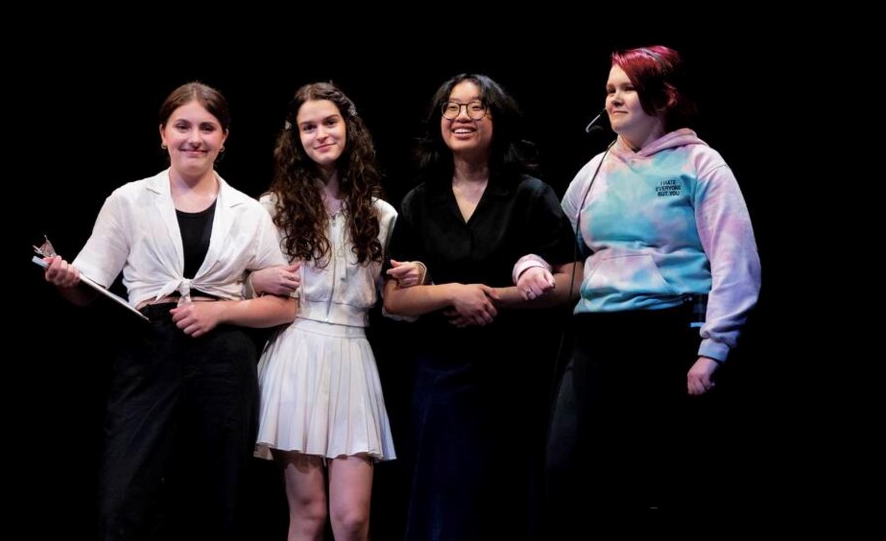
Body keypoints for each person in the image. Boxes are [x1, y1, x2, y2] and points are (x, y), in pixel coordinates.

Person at [41, 82, 296, 539]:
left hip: (223, 357)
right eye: (182, 126)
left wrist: (218, 313)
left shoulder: (249, 211)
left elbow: (284, 306)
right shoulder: (129, 199)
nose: (193, 138)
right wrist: (65, 281)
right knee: (126, 496)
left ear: (224, 138)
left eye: (206, 127)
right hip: (148, 348)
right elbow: (88, 286)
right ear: (162, 133)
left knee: (215, 497)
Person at [539, 45, 762, 515]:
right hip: (595, 339)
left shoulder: (701, 165)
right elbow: (554, 249)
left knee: (653, 487)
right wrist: (528, 266)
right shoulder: (593, 172)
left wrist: (713, 349)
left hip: (667, 336)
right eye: (609, 90)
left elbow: (735, 265)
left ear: (663, 98)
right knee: (569, 475)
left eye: (628, 89)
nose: (614, 99)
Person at [382, 73, 580, 540]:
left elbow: (572, 281)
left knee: (506, 502)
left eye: (476, 107)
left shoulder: (531, 194)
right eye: (452, 107)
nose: (462, 117)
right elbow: (393, 297)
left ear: (499, 119)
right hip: (441, 378)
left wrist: (493, 297)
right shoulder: (419, 201)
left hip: (514, 376)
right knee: (444, 501)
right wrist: (453, 292)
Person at [247, 82, 421, 541]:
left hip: (352, 353)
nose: (321, 133)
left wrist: (412, 280)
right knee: (309, 514)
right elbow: (235, 282)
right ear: (296, 137)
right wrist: (255, 281)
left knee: (352, 519)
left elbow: (393, 305)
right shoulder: (272, 208)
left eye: (329, 122)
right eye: (309, 127)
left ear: (349, 128)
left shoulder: (381, 213)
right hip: (296, 350)